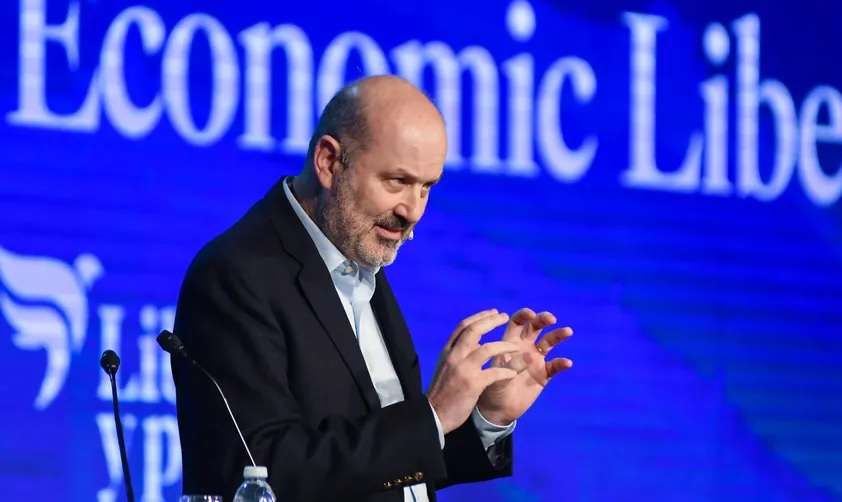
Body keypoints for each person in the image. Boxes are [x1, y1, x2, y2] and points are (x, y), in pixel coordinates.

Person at [172, 75, 573, 500]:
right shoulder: (236, 275)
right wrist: (433, 415)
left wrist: (485, 417)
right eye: (397, 181)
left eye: (426, 187)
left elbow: (392, 471)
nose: (412, 210)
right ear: (329, 161)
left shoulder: (359, 260)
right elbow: (261, 475)